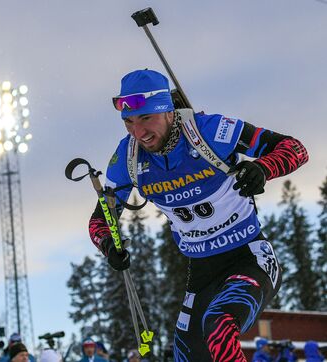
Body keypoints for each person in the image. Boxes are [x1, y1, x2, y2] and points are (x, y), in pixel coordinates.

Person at [88, 69, 308, 361]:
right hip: (202, 272)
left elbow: (294, 148)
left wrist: (263, 168)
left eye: (145, 119)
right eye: (128, 122)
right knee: (186, 354)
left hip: (249, 256)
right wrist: (107, 245)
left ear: (167, 111)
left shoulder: (209, 131)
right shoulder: (128, 157)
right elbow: (100, 219)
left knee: (218, 327)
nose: (138, 133)